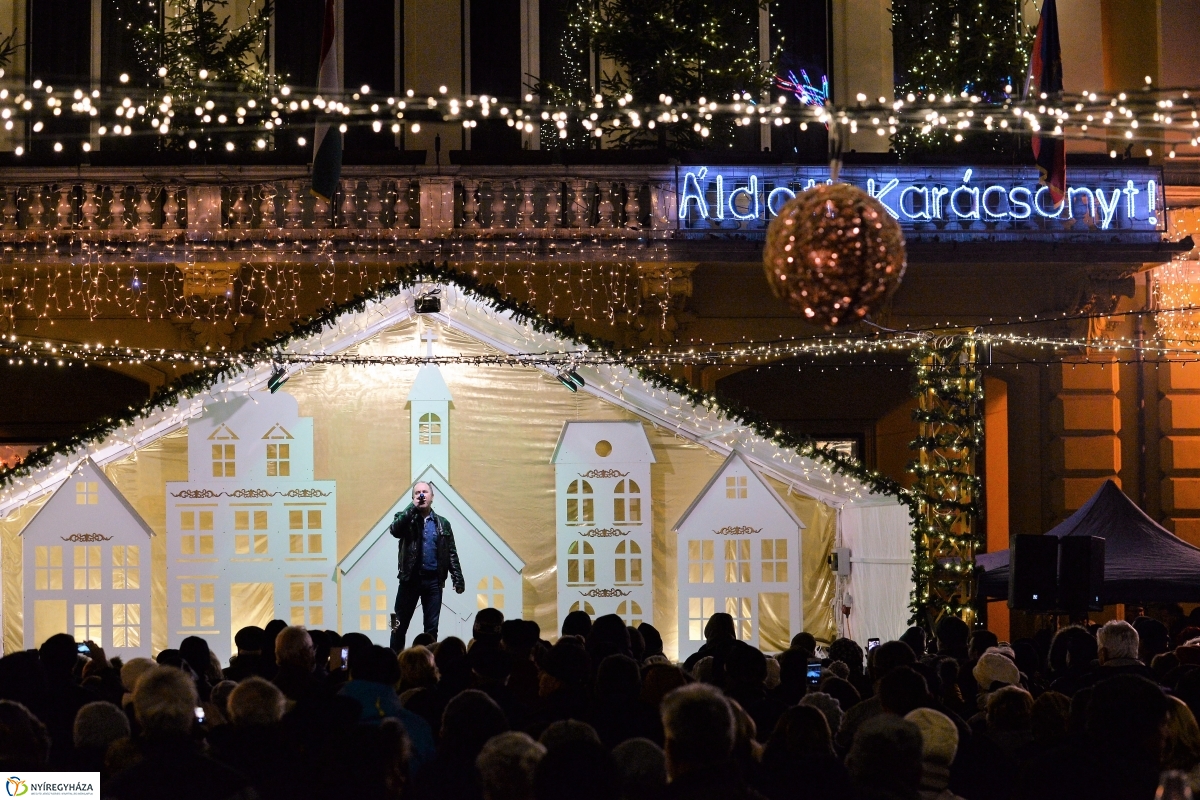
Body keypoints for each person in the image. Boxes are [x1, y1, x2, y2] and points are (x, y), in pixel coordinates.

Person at [389, 481, 466, 649]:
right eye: (417, 493)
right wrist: (412, 507)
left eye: (425, 492)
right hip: (409, 580)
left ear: (432, 497)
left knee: (431, 629)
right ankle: (394, 663)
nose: (421, 495)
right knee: (397, 625)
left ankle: (429, 663)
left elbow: (451, 552)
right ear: (412, 497)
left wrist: (457, 577)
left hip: (433, 582)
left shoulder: (443, 523)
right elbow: (395, 530)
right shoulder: (404, 517)